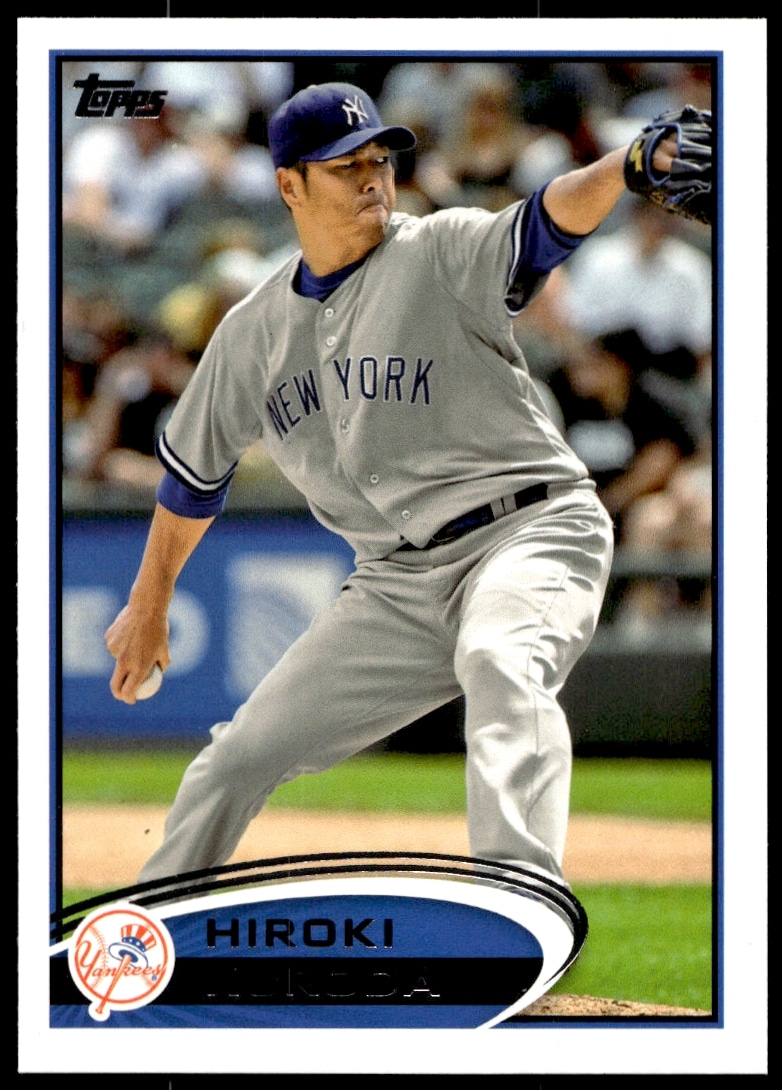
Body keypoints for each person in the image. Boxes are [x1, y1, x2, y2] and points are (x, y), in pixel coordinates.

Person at [104, 81, 682, 891]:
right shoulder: (251, 333)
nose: (373, 177)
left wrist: (625, 165)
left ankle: (521, 903)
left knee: (500, 660)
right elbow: (192, 480)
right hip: (396, 584)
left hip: (529, 532)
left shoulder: (439, 249)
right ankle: (145, 922)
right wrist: (149, 603)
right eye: (346, 166)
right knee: (237, 758)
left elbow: (546, 223)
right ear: (289, 185)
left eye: (380, 159)